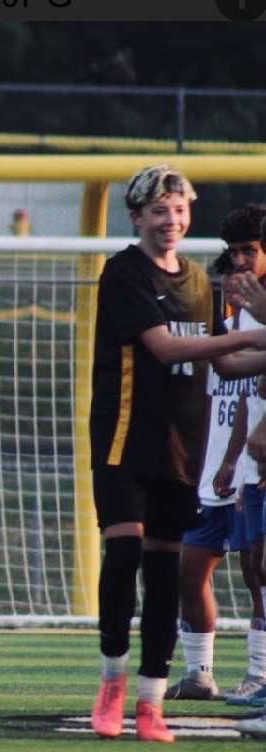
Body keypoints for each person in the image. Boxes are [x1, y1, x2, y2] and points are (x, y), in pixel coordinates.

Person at [88, 166, 266, 742]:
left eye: (180, 210)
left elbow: (224, 363)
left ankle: (150, 701)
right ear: (137, 216)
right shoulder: (123, 273)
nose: (172, 220)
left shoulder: (196, 280)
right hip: (123, 442)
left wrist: (257, 348)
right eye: (160, 211)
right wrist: (248, 334)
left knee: (165, 575)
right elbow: (165, 348)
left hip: (179, 449)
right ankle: (111, 684)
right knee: (121, 561)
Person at [166, 207, 266, 703]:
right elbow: (219, 381)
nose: (243, 264)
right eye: (235, 257)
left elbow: (252, 395)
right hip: (213, 470)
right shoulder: (225, 316)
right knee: (192, 566)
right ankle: (200, 671)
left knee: (257, 571)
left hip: (252, 466)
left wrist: (234, 459)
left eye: (252, 251)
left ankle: (259, 673)